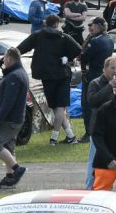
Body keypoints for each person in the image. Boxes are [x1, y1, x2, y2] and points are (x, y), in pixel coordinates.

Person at [18, 14, 82, 146]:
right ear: (56, 24)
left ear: (45, 23)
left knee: (54, 106)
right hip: (62, 75)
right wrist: (67, 57)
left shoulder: (38, 35)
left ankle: (69, 136)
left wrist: (7, 57)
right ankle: (55, 138)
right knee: (60, 107)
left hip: (46, 76)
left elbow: (22, 47)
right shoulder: (63, 37)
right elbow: (78, 49)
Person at [0, 47, 29, 188]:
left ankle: (17, 169)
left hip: (10, 119)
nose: (3, 60)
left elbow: (8, 102)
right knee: (8, 146)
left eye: (5, 58)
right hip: (15, 118)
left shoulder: (14, 76)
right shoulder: (19, 73)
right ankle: (10, 177)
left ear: (10, 59)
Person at [83, 56, 116, 189]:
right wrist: (109, 87)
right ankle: (89, 187)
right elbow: (92, 101)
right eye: (112, 68)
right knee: (94, 159)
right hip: (99, 130)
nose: (115, 71)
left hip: (114, 131)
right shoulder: (95, 83)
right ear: (104, 69)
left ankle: (107, 185)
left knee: (112, 160)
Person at [79, 17, 115, 143]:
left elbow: (83, 57)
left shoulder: (95, 41)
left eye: (91, 25)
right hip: (103, 75)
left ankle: (89, 132)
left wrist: (82, 55)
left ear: (99, 26)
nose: (89, 27)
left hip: (93, 74)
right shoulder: (109, 38)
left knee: (88, 103)